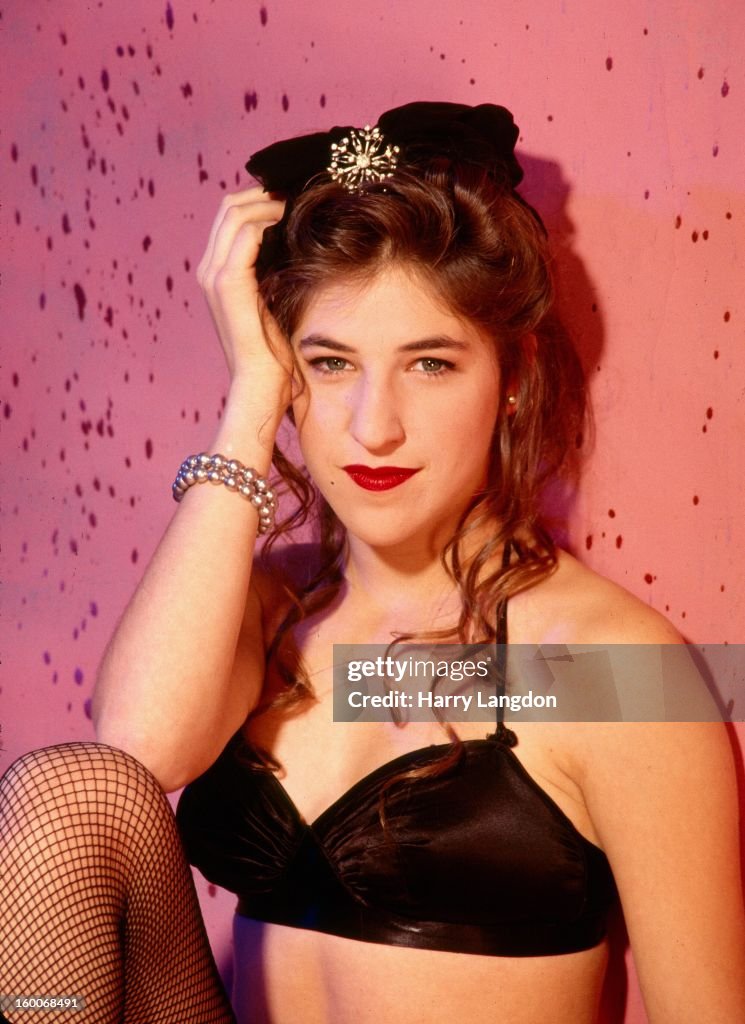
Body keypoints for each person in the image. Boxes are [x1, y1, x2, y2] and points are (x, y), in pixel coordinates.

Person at [1, 102, 743, 1024]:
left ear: (511, 380)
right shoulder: (273, 606)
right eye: (330, 364)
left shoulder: (609, 671)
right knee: (69, 793)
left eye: (430, 364)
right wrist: (250, 403)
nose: (372, 426)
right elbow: (139, 748)